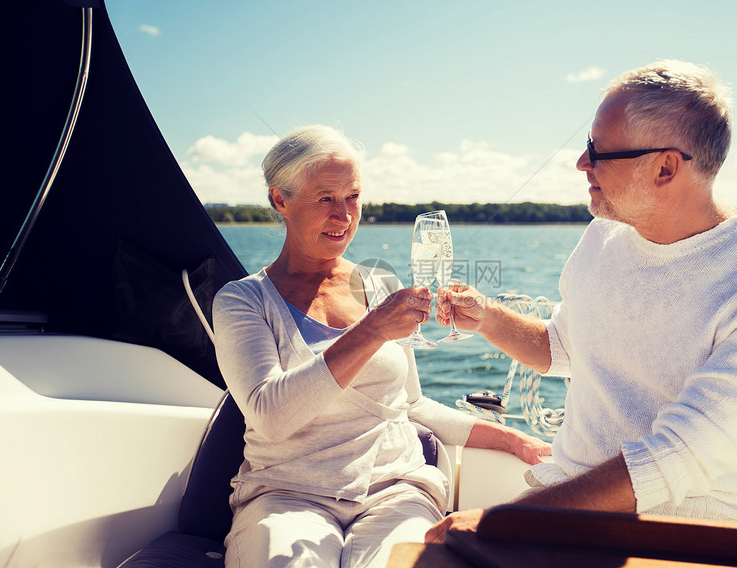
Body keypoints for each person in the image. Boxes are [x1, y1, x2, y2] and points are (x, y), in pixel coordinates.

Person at [426, 60, 737, 542]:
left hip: (683, 534)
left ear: (665, 167)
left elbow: (679, 453)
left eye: (598, 150)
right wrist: (488, 318)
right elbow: (563, 349)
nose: (581, 163)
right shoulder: (603, 236)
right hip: (564, 510)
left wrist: (505, 519)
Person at [212, 125, 550, 568]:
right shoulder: (243, 300)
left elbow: (413, 405)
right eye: (324, 198)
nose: (343, 215)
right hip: (286, 497)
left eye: (352, 197)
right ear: (281, 200)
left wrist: (509, 438)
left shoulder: (378, 284)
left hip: (396, 493)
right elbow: (272, 416)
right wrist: (372, 330)